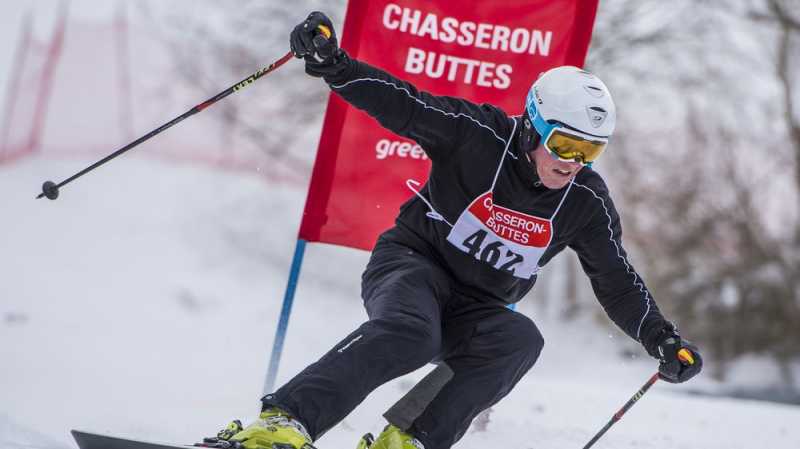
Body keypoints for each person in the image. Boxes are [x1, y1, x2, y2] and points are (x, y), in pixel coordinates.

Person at [205, 11, 703, 449]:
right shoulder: (479, 136)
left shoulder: (585, 201)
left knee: (519, 340)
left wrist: (660, 339)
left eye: (589, 151)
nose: (572, 162)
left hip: (480, 305)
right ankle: (284, 422)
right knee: (411, 334)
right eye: (565, 144)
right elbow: (407, 106)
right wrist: (335, 65)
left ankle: (407, 441)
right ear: (533, 125)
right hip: (414, 264)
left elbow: (614, 279)